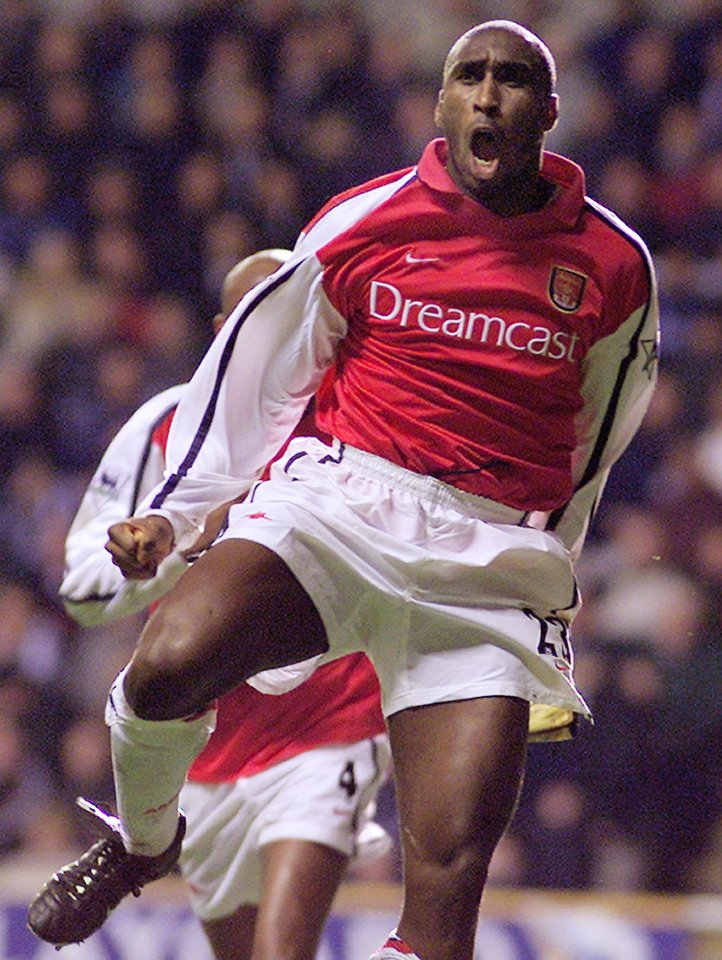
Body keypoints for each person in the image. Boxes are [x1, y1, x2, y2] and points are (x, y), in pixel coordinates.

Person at [28, 21, 659, 960]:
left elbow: (597, 443)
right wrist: (175, 511)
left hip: (485, 568)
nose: (489, 94)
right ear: (441, 106)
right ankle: (144, 842)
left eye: (514, 78)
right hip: (343, 507)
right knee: (165, 664)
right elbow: (254, 376)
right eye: (470, 76)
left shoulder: (614, 268)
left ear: (549, 111)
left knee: (446, 910)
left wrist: (551, 586)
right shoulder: (366, 218)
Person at [50, 249, 392, 960]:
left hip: (328, 724)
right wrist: (162, 553)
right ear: (223, 329)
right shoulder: (164, 425)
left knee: (282, 950)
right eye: (252, 312)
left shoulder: (356, 416)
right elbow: (82, 590)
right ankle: (146, 843)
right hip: (204, 749)